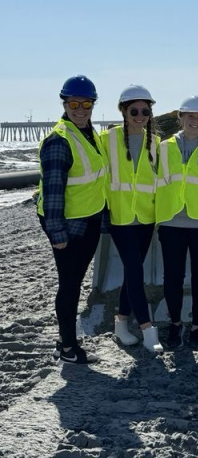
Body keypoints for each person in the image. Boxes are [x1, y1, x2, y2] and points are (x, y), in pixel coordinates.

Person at [38, 75, 107, 364]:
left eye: (86, 103)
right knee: (69, 285)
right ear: (65, 103)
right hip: (69, 226)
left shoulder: (88, 134)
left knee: (74, 282)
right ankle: (68, 349)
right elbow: (54, 189)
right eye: (74, 103)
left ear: (93, 104)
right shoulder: (60, 140)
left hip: (88, 219)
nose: (81, 108)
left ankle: (63, 341)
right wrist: (58, 234)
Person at [102, 84, 163, 354]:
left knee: (132, 271)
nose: (140, 115)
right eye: (134, 110)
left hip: (146, 217)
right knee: (135, 272)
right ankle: (148, 329)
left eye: (145, 111)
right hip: (122, 217)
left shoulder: (156, 143)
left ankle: (121, 325)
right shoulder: (108, 139)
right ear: (123, 112)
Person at [156, 95, 198, 350]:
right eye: (190, 116)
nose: (195, 121)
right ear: (180, 118)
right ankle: (174, 323)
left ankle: (196, 327)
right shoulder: (163, 147)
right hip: (171, 219)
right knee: (172, 276)